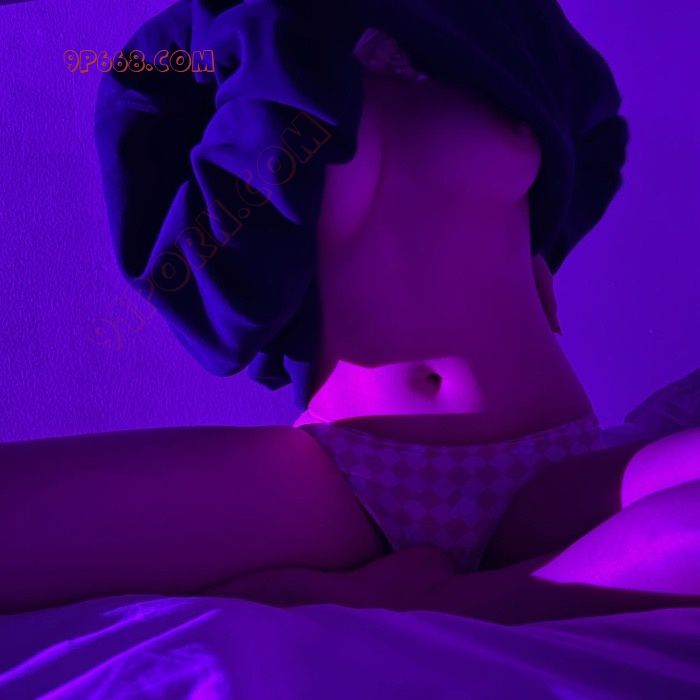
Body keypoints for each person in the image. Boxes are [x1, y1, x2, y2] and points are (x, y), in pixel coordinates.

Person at [1, 1, 698, 621]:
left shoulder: (495, 20)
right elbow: (208, 306)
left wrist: (537, 244)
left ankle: (470, 603)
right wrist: (278, 24)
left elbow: (597, 134)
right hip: (348, 477)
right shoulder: (186, 52)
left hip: (551, 461)